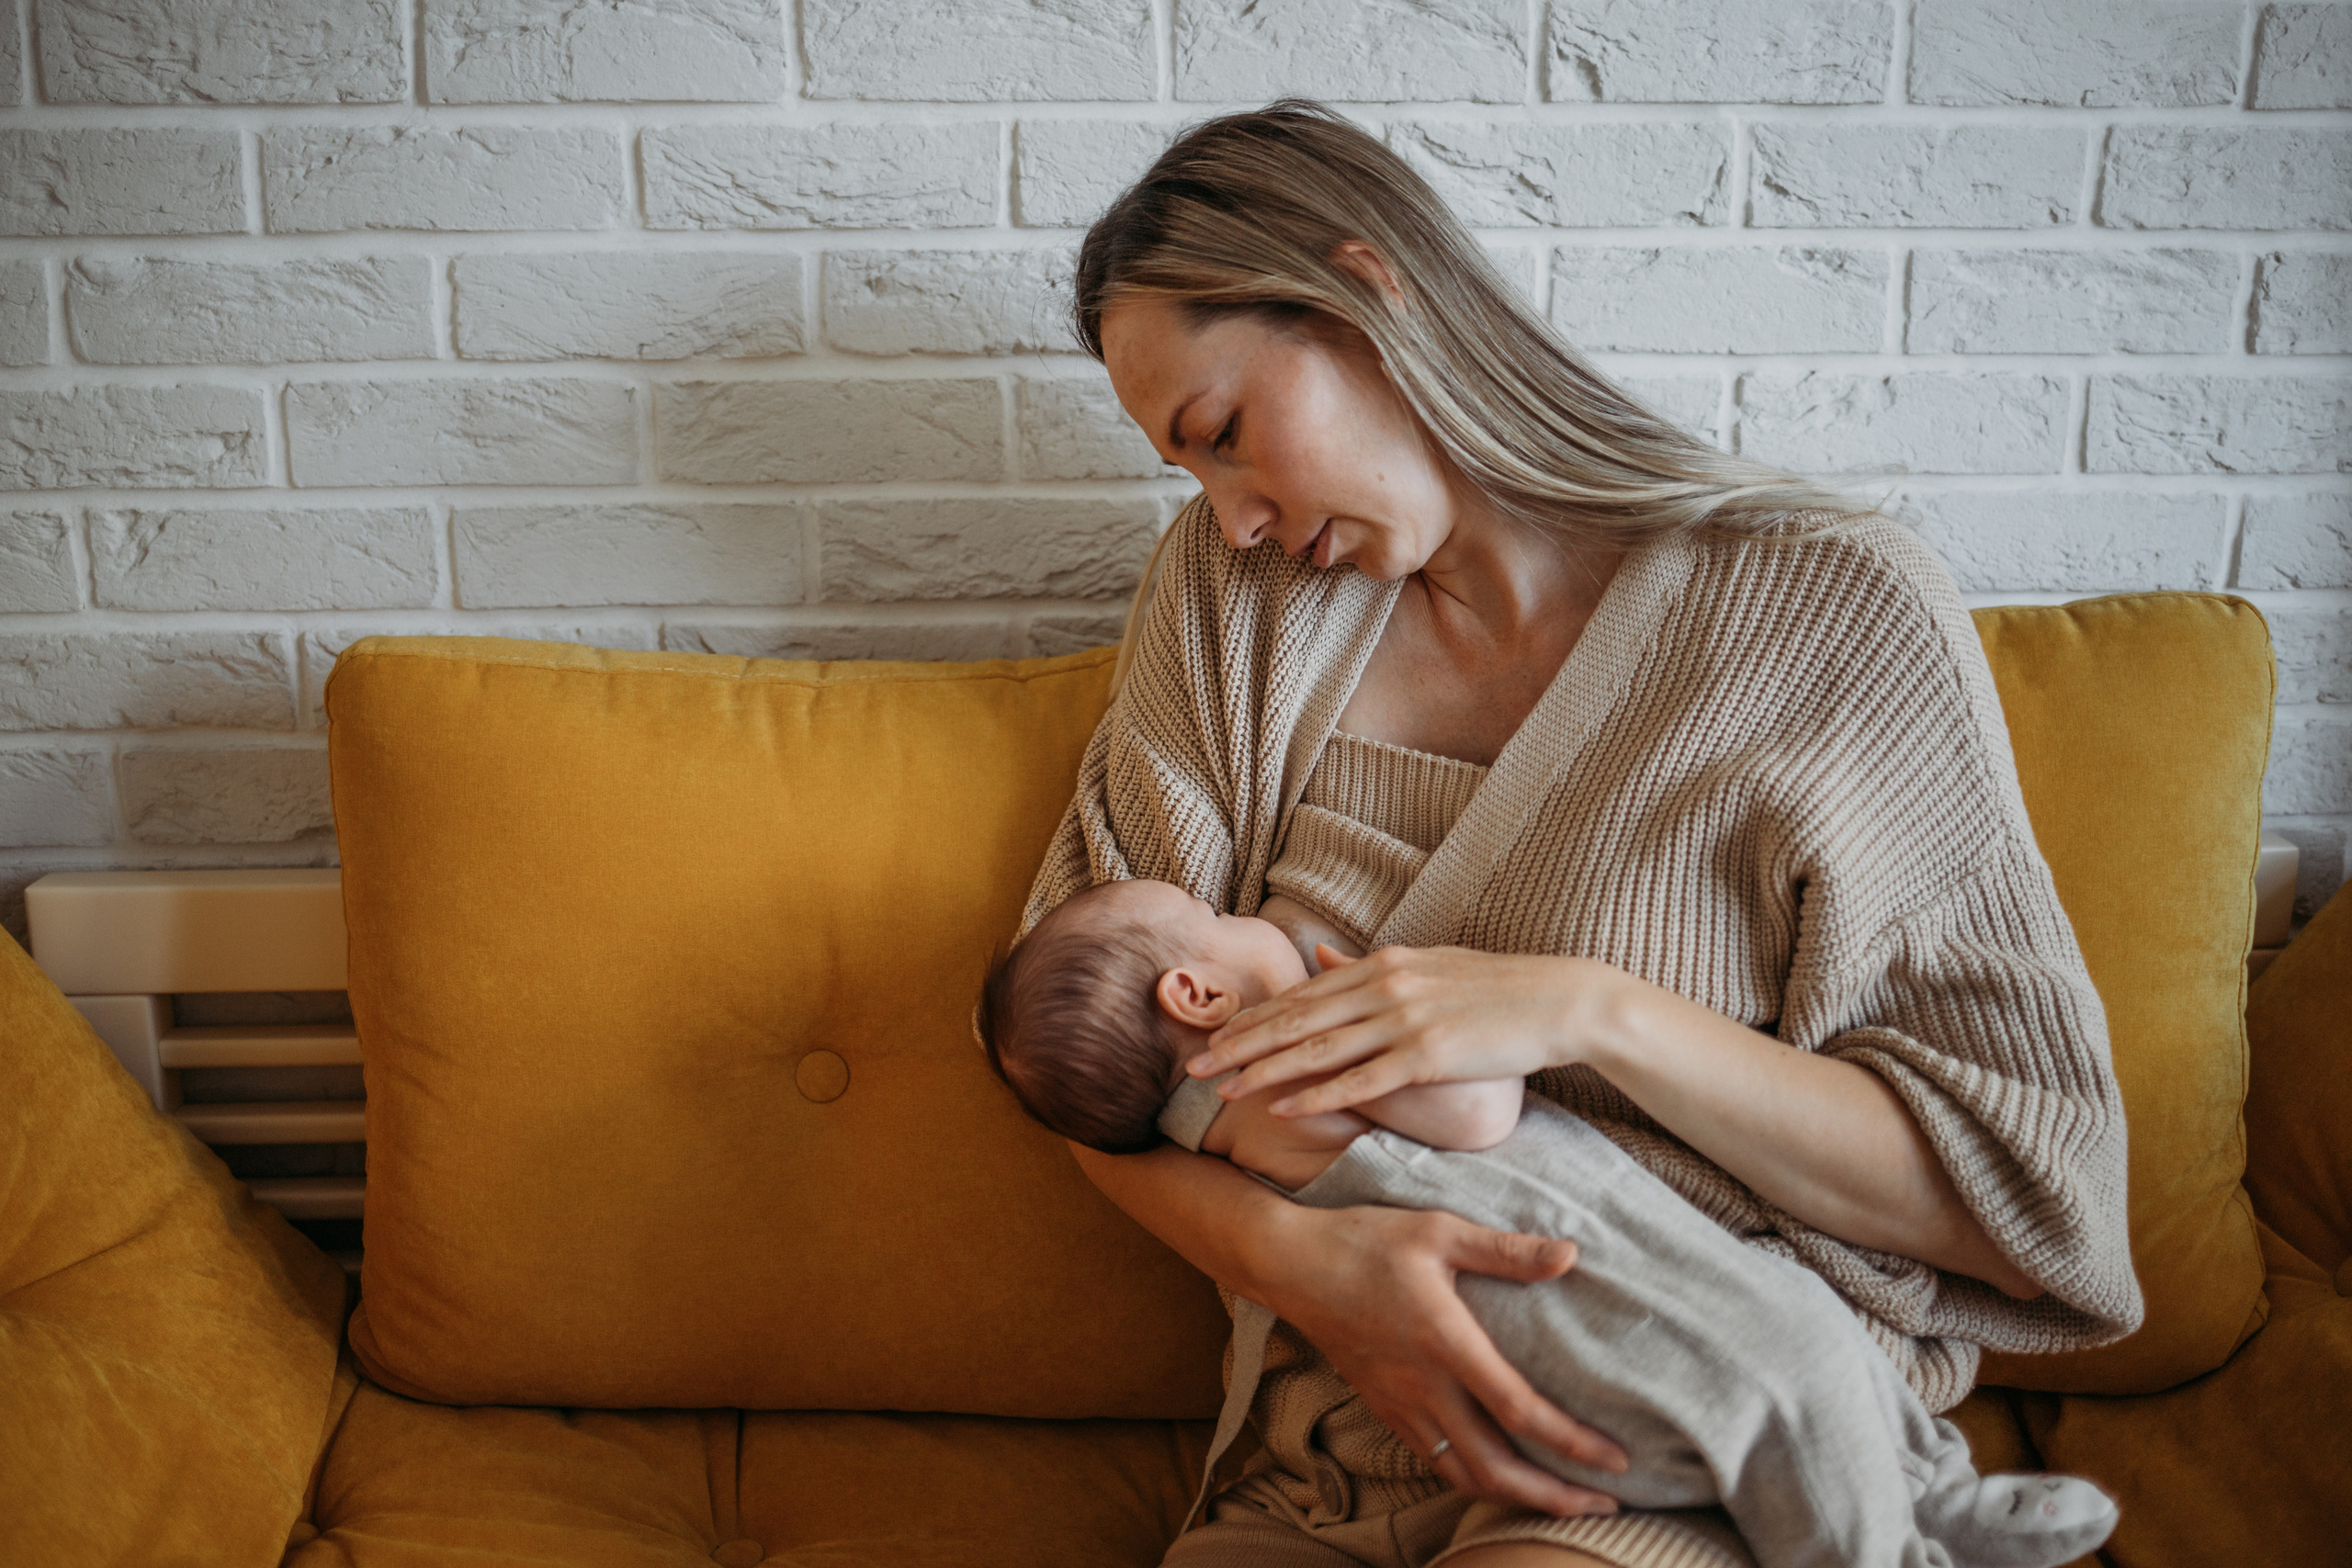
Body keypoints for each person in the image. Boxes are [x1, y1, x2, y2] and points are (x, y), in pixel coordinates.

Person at [1022, 100, 2143, 1568]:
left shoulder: (1829, 617)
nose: (1228, 516)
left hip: (1692, 1442)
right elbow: (1066, 1060)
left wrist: (1586, 1009)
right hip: (1331, 1443)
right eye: (1193, 474)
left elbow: (2026, 1198)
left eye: (1225, 433)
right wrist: (1310, 1264)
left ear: (1368, 293)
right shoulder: (1239, 606)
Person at [978, 877, 2120, 1568]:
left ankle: (1932, 1509)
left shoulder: (1210, 1132)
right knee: (1781, 1378)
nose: (1241, 910)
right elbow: (1473, 1111)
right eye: (1216, 917)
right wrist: (1416, 1003)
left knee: (1800, 1375)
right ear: (1196, 996)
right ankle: (1893, 1539)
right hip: (1587, 1320)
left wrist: (1596, 1007)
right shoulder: (1302, 1058)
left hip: (1518, 1375)